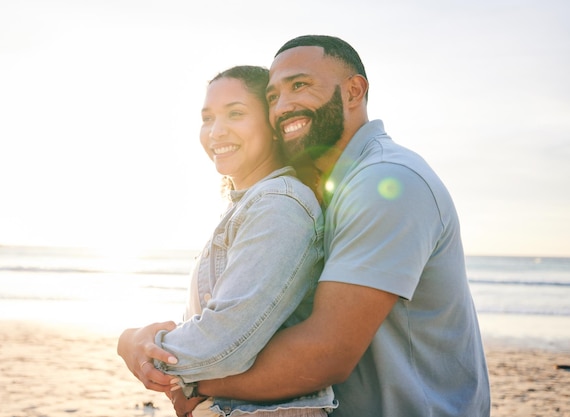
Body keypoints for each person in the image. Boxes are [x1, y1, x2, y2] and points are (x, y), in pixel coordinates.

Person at [120, 36, 491, 417]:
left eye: (300, 85)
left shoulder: (386, 183)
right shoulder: (328, 187)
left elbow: (324, 353)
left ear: (353, 91)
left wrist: (185, 376)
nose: (283, 106)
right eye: (273, 96)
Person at [118, 65, 336, 417]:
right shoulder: (251, 204)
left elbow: (224, 342)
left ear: (272, 124)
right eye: (207, 118)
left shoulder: (280, 204)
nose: (216, 131)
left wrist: (133, 344)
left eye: (235, 113)